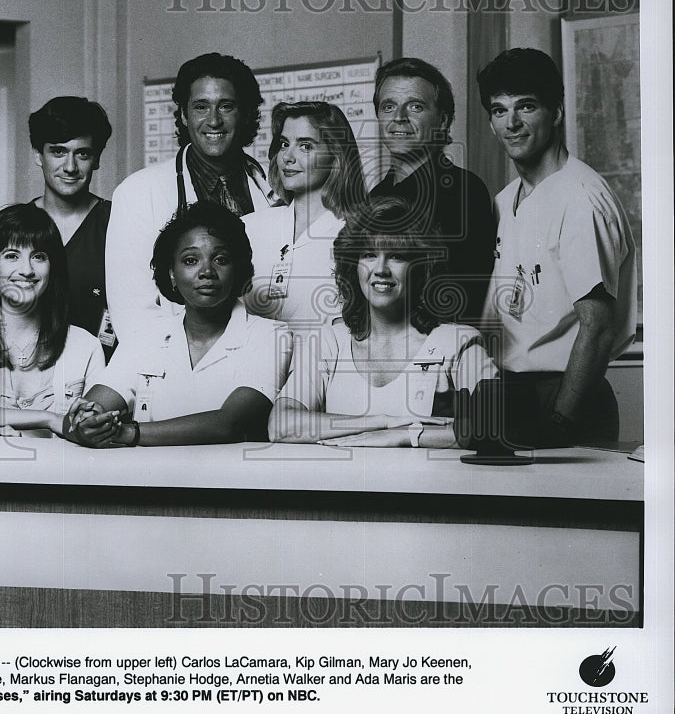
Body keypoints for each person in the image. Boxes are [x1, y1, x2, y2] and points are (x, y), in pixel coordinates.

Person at [477, 47, 637, 447]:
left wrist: (561, 420)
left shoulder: (579, 198)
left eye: (526, 107)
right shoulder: (503, 200)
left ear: (557, 112)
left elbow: (598, 327)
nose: (511, 123)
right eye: (499, 110)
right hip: (511, 393)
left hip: (567, 395)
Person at [269, 198, 497, 447]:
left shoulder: (456, 342)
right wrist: (383, 422)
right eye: (368, 254)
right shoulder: (329, 340)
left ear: (421, 268)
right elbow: (281, 425)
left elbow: (498, 424)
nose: (380, 269)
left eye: (397, 256)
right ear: (353, 266)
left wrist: (404, 435)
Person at [66, 201, 290, 448]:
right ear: (172, 272)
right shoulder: (146, 337)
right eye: (191, 260)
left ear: (238, 269)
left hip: (231, 483)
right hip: (145, 483)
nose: (207, 271)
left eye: (221, 259)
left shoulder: (269, 335)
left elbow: (231, 424)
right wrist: (85, 424)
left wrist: (129, 433)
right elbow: (78, 417)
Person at [106, 53, 274, 339]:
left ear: (245, 114)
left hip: (264, 356)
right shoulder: (136, 194)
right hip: (178, 368)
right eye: (200, 107)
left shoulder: (272, 187)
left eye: (226, 106)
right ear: (184, 115)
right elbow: (131, 314)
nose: (214, 120)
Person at [0, 96, 115, 351]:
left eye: (83, 154)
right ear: (38, 155)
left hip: (100, 374)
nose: (70, 167)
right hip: (21, 375)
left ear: (97, 159)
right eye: (58, 151)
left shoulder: (118, 221)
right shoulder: (14, 226)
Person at [0, 204, 105, 436]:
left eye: (39, 256)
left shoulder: (87, 346)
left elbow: (91, 430)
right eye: (12, 256)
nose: (27, 269)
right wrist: (50, 419)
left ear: (52, 269)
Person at [369, 57, 495, 323]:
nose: (399, 118)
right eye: (388, 106)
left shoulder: (465, 192)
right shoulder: (373, 199)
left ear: (442, 121)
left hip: (439, 355)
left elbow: (463, 300)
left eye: (415, 106)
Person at [242, 100, 367, 326]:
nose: (287, 157)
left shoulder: (360, 235)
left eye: (305, 146)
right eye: (283, 144)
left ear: (336, 154)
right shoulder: (248, 228)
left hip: (326, 360)